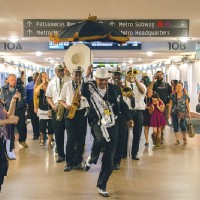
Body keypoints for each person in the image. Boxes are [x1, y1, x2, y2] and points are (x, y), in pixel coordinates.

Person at [84, 67, 133, 197]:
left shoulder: (115, 89)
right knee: (100, 139)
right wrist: (87, 75)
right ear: (96, 79)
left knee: (109, 161)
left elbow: (122, 105)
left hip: (112, 124)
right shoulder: (90, 88)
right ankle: (91, 158)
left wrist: (128, 118)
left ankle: (102, 185)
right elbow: (82, 89)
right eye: (101, 80)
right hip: (97, 122)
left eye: (105, 80)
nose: (104, 83)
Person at [59, 66, 89, 171]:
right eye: (76, 74)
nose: (78, 76)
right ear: (72, 74)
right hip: (70, 113)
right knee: (70, 138)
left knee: (81, 139)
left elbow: (89, 100)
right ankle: (69, 162)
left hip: (81, 113)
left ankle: (78, 162)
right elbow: (61, 99)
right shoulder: (67, 85)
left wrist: (83, 98)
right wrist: (66, 106)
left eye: (80, 74)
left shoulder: (85, 86)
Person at [124, 68, 147, 160]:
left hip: (138, 112)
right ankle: (124, 153)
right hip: (127, 111)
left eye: (133, 74)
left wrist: (136, 81)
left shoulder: (141, 85)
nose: (131, 75)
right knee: (125, 133)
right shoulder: (124, 85)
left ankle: (134, 153)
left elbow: (142, 91)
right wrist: (126, 81)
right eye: (129, 74)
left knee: (137, 134)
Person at [46, 65, 67, 163]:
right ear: (55, 71)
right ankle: (61, 155)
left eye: (62, 70)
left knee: (71, 134)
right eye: (59, 71)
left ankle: (71, 154)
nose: (61, 72)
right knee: (58, 134)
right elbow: (48, 97)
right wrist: (53, 106)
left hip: (67, 109)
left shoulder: (68, 81)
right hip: (56, 110)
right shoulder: (51, 82)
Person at [109, 67, 129, 170]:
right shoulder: (108, 86)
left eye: (118, 75)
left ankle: (117, 161)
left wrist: (129, 118)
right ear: (112, 75)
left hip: (121, 116)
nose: (117, 76)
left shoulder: (122, 85)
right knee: (112, 140)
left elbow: (123, 103)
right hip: (110, 116)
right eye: (115, 75)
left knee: (121, 140)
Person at [1, 74, 28, 148]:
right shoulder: (4, 88)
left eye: (14, 80)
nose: (13, 82)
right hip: (8, 110)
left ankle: (22, 140)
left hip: (19, 110)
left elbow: (24, 99)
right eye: (11, 80)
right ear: (8, 80)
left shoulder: (20, 88)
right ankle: (11, 143)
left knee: (22, 126)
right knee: (9, 128)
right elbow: (2, 99)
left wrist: (21, 101)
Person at [0, 91, 20, 191]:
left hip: (2, 140)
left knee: (2, 169)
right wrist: (9, 121)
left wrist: (13, 101)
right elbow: (8, 120)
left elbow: (8, 115)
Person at [149, 71, 172, 143]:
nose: (159, 76)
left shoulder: (167, 84)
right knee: (156, 121)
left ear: (163, 75)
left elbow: (170, 94)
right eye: (158, 75)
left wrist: (169, 102)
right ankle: (155, 136)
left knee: (164, 122)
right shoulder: (155, 84)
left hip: (164, 105)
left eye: (160, 74)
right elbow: (149, 90)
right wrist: (153, 80)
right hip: (155, 105)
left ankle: (161, 133)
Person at [35, 72, 54, 148]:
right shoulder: (38, 86)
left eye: (45, 76)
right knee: (42, 126)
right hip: (42, 109)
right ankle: (42, 139)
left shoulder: (50, 84)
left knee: (50, 127)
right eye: (42, 76)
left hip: (50, 108)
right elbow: (36, 92)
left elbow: (53, 91)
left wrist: (48, 82)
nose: (44, 78)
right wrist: (42, 84)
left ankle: (50, 143)